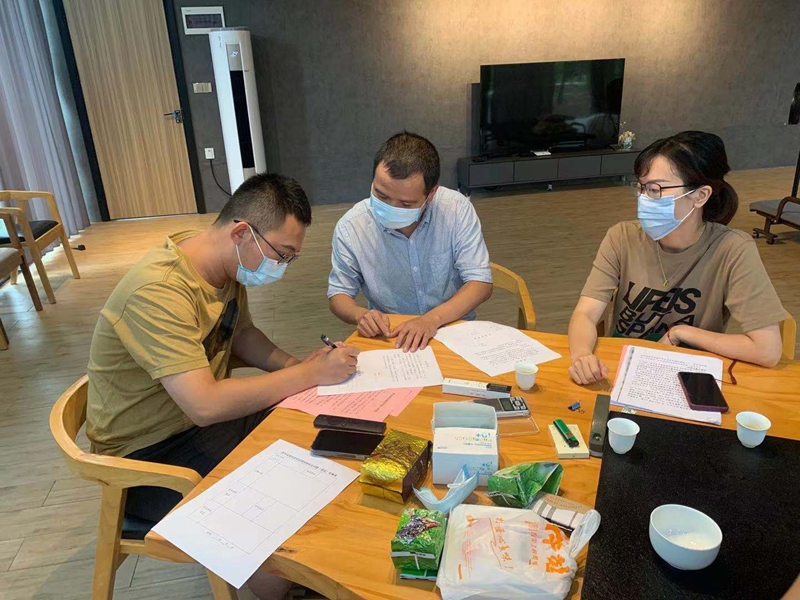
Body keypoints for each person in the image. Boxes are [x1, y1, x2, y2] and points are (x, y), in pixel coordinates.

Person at [87, 173, 359, 599]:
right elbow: (205, 405)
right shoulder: (158, 291)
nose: (282, 266)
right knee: (278, 503)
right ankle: (285, 584)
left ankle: (303, 568)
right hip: (146, 459)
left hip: (191, 428)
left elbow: (240, 334)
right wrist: (308, 376)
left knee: (315, 435)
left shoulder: (222, 264)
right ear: (241, 233)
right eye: (282, 254)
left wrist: (297, 366)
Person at [568, 131, 787, 385]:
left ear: (700, 196)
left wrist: (682, 333)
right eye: (641, 187)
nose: (644, 199)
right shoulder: (622, 237)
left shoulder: (733, 249)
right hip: (622, 368)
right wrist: (582, 356)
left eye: (655, 189)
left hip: (688, 374)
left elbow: (767, 350)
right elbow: (585, 314)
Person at [328, 131, 493, 352]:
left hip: (452, 327)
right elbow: (338, 294)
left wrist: (432, 320)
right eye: (381, 195)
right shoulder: (351, 227)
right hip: (392, 336)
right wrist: (361, 315)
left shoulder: (455, 209)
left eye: (405, 204)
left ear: (431, 194)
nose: (391, 208)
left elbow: (480, 283)